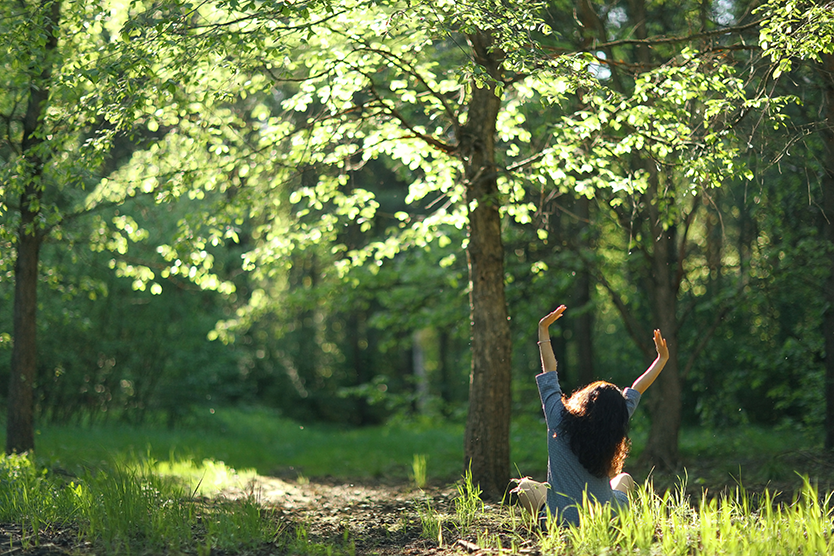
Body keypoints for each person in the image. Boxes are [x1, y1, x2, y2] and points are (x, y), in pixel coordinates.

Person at [512, 305, 669, 527]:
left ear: (584, 400)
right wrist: (661, 359)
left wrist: (543, 330)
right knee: (624, 479)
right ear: (616, 413)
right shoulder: (616, 422)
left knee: (525, 486)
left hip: (561, 522)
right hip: (605, 520)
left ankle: (544, 526)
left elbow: (550, 371)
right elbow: (637, 387)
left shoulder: (559, 418)